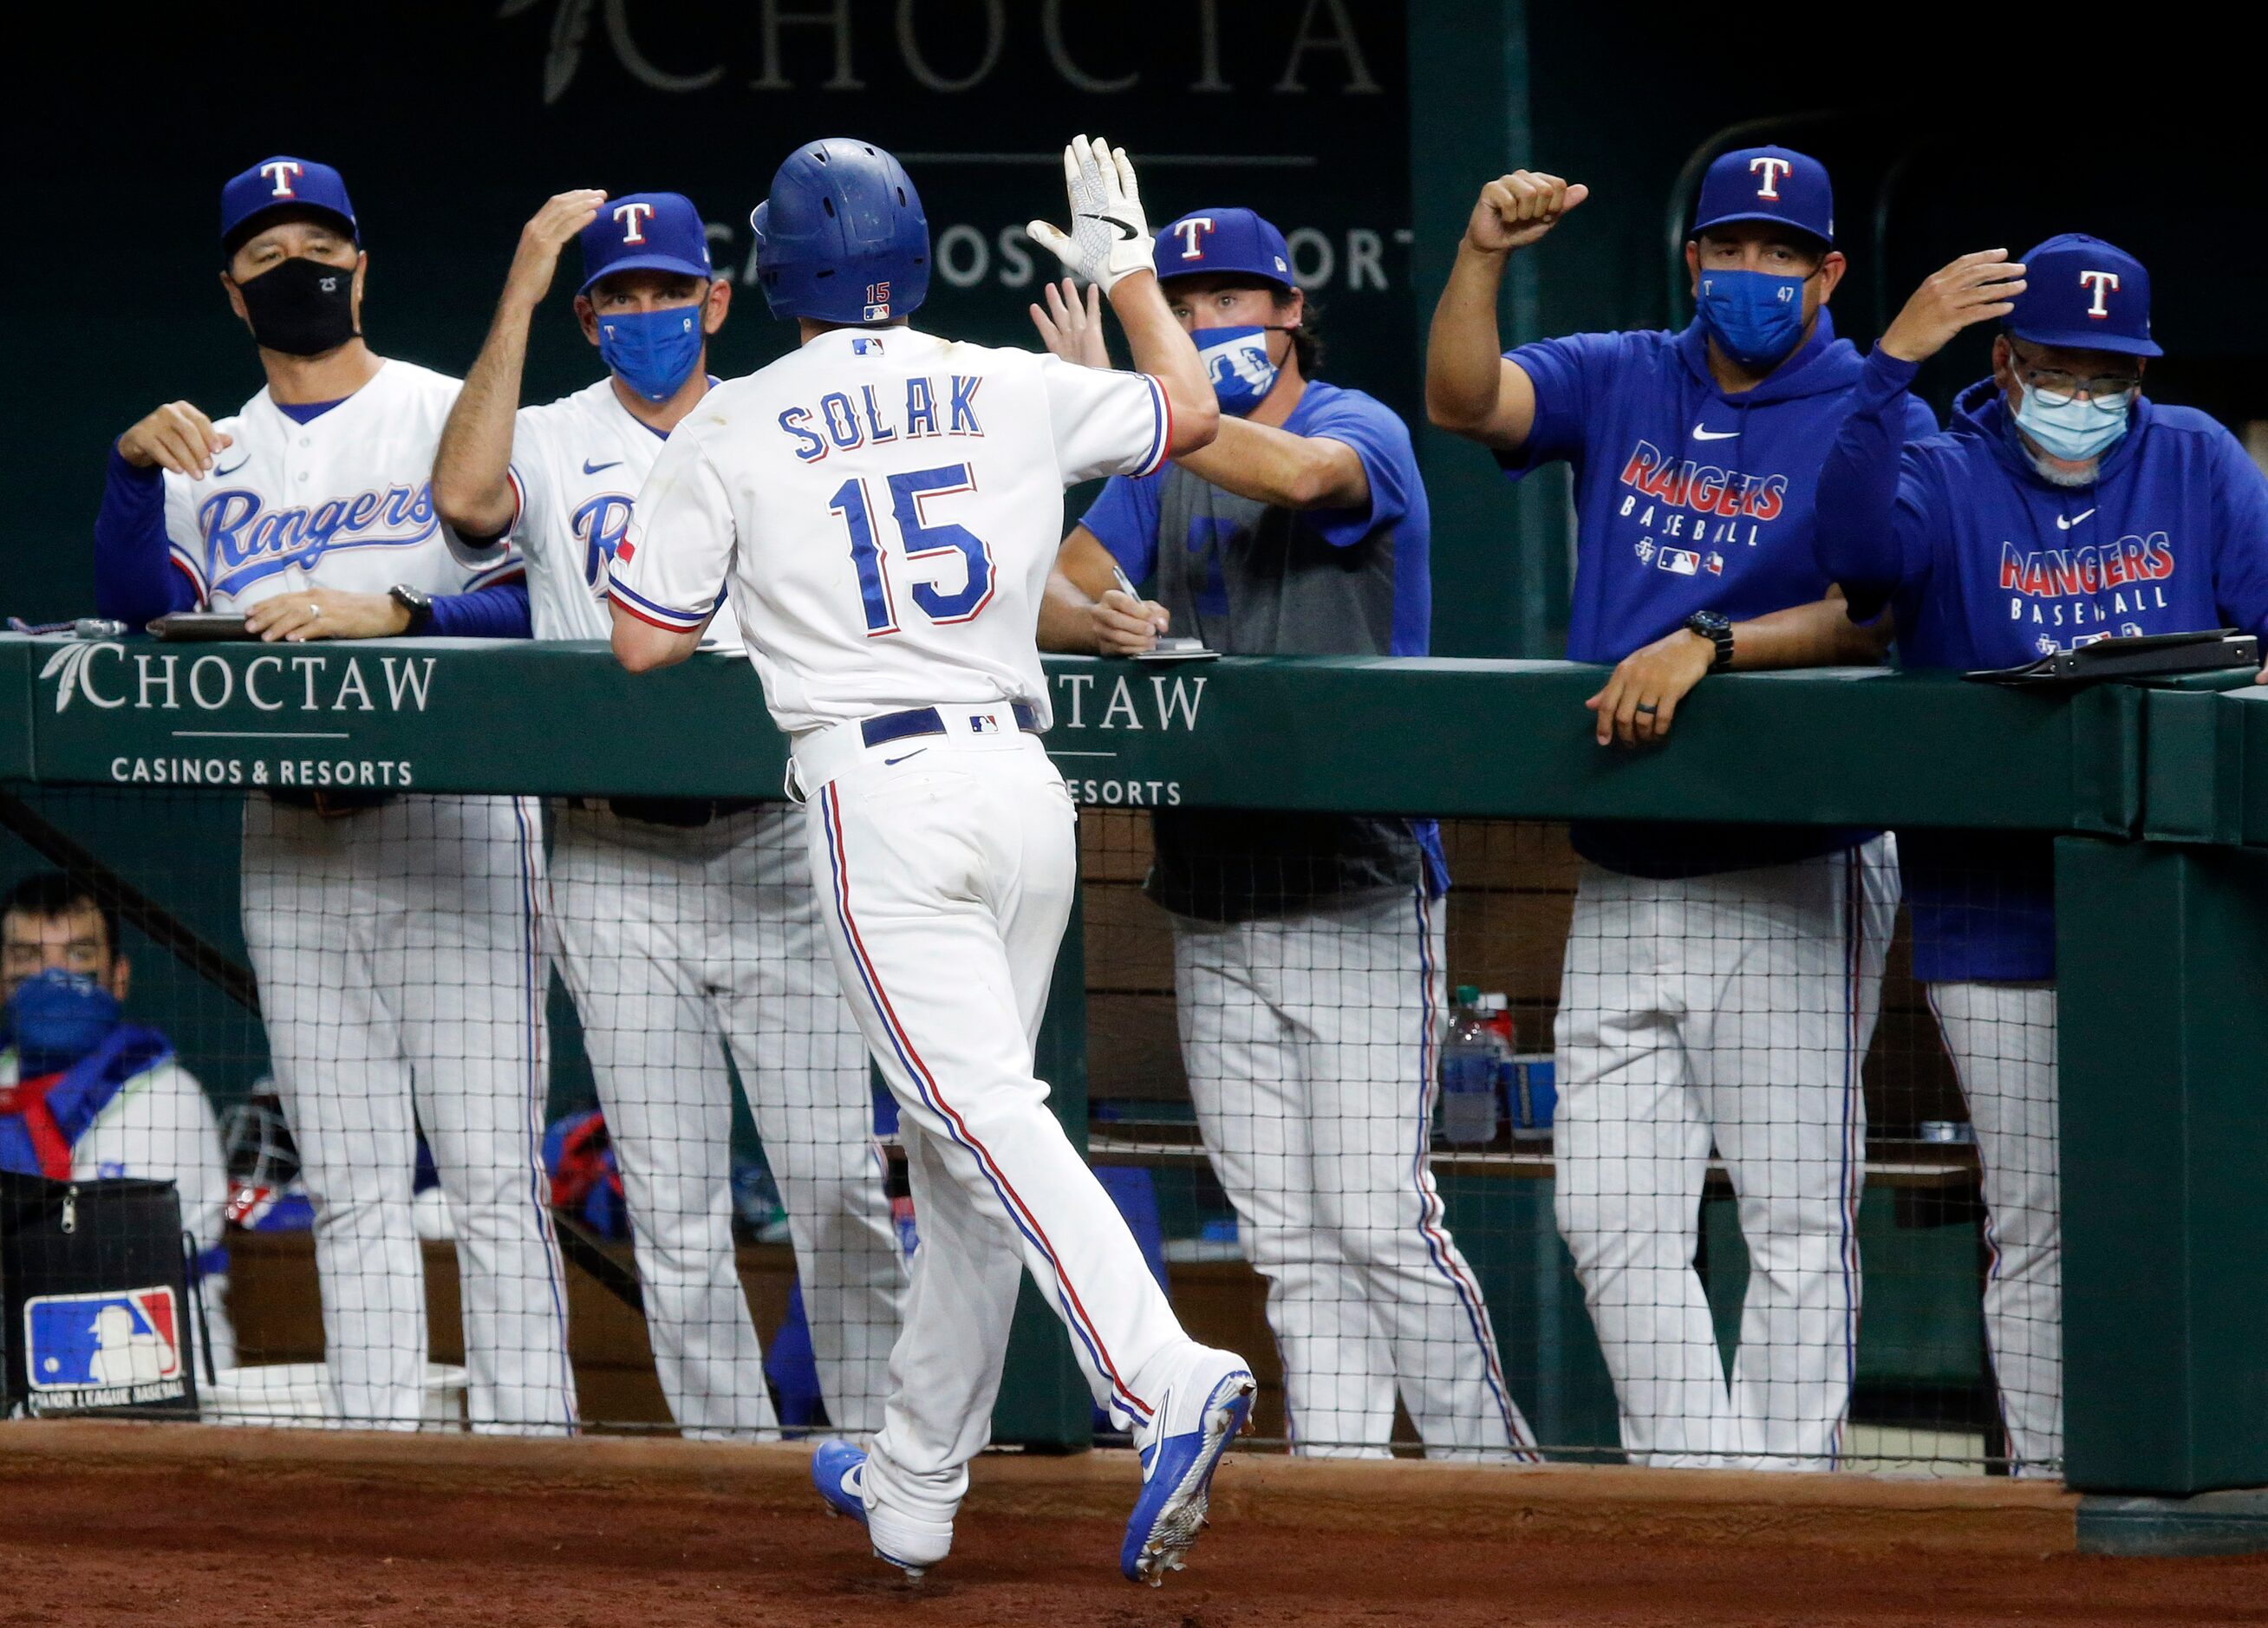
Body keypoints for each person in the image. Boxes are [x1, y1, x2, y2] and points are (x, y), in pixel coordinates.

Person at [609, 133, 1251, 1586]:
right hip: (1021, 784)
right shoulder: (1004, 379)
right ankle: (912, 1478)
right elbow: (1192, 411)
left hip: (878, 791)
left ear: (776, 274)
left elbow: (645, 637)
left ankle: (1162, 1373)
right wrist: (1131, 270)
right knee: (962, 1150)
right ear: (910, 255)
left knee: (976, 1117)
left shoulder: (730, 423)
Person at [1424, 147, 1934, 1470]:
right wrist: (1482, 252)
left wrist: (1712, 637)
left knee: (1795, 1227)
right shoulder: (1625, 369)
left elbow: (1878, 613)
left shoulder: (1867, 403)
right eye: (1729, 247)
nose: (1750, 273)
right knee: (1607, 1217)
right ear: (1693, 259)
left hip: (1791, 853)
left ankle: (1788, 1516)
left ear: (1827, 272)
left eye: (1780, 252)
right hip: (1630, 853)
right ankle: (1711, 1495)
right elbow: (1465, 400)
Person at [1032, 208, 1534, 1462]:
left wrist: (1145, 406)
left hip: (1352, 886)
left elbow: (1302, 481)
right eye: (1187, 304)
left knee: (1377, 1217)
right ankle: (1344, 1493)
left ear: (1291, 308)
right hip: (1207, 893)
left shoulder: (1353, 424)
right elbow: (1054, 581)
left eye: (1230, 302)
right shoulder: (1159, 467)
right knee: (1290, 1239)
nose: (1209, 323)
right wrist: (1098, 616)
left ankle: (1498, 1485)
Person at [90, 156, 574, 1433]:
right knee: (353, 1182)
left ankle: (540, 1466)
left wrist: (402, 612)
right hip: (291, 839)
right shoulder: (211, 449)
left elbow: (546, 604)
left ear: (361, 265)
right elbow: (143, 611)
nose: (294, 265)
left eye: (317, 243)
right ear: (233, 291)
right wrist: (131, 470)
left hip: (455, 824)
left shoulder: (440, 412)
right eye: (265, 251)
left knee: (488, 1176)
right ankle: (382, 1462)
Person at [432, 188, 903, 1438]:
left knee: (836, 1183)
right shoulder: (546, 432)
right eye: (619, 294)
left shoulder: (781, 421)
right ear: (591, 316)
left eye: (667, 289)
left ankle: (888, 1452)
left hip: (777, 843)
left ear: (713, 297)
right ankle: (732, 1467)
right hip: (610, 857)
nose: (648, 312)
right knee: (675, 1204)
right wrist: (524, 280)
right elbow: (466, 504)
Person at [1814, 234, 2268, 1475]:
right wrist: (1888, 364)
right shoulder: (1940, 465)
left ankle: (2218, 1468)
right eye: (2065, 369)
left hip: (2183, 913)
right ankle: (2053, 1495)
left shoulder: (2197, 457)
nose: (2091, 398)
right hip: (1996, 913)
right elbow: (1852, 558)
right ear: (2007, 363)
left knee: (2202, 1206)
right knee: (2040, 1224)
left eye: (2113, 374)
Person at [0, 872, 236, 1370]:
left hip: (156, 1362)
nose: (52, 977)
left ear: (119, 976)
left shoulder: (169, 1096)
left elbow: (113, 1259)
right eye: (27, 959)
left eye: (79, 956)